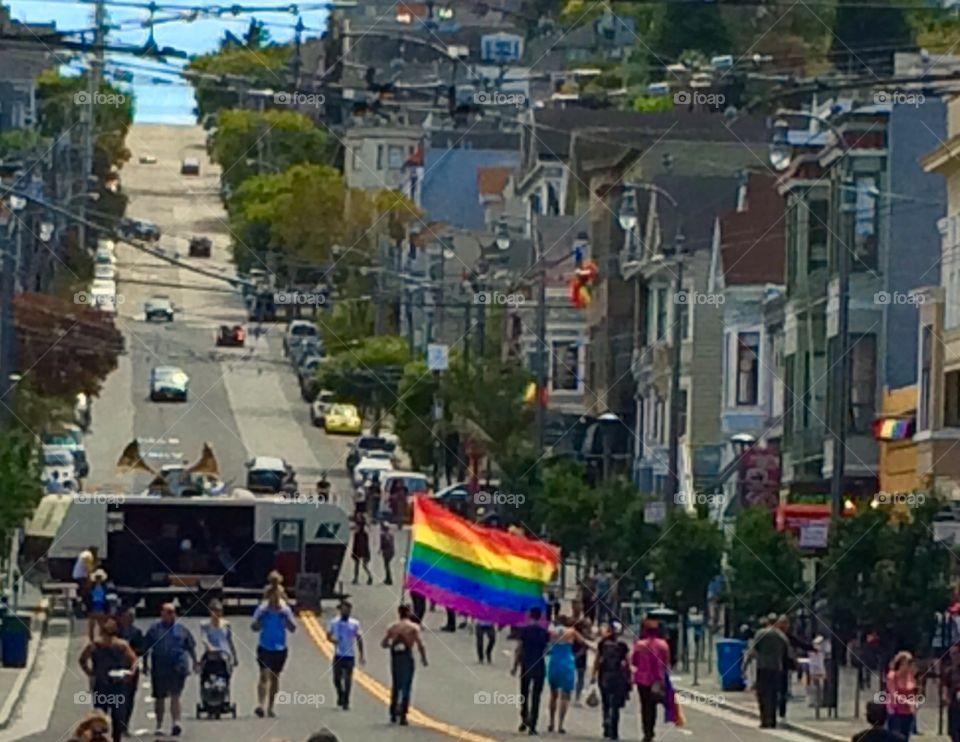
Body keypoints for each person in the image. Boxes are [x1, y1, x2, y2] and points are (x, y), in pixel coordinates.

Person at [78, 617, 138, 742]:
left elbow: (133, 660)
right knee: (100, 716)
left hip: (117, 684)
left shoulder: (121, 645)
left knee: (118, 716)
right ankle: (100, 738)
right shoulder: (95, 645)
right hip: (102, 685)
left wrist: (130, 673)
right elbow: (82, 660)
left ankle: (116, 738)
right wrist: (90, 673)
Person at [144, 603, 198, 737]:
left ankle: (176, 723)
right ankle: (159, 724)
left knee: (175, 694)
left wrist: (195, 662)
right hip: (160, 666)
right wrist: (145, 664)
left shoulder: (181, 630)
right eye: (168, 611)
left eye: (173, 612)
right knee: (160, 697)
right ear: (162, 613)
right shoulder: (154, 629)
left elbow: (190, 646)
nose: (171, 614)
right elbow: (146, 648)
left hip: (178, 666)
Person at [252, 585, 297, 718]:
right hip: (265, 646)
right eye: (273, 596)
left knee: (275, 677)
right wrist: (261, 618)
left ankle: (271, 706)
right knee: (263, 675)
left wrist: (286, 618)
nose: (275, 599)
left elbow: (293, 628)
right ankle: (260, 705)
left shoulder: (285, 610)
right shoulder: (262, 609)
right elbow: (254, 627)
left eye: (278, 596)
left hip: (280, 647)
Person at [381, 604, 428, 725]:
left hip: (396, 656)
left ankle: (393, 712)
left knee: (396, 684)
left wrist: (392, 643)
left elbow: (384, 643)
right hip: (407, 656)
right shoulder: (413, 627)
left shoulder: (393, 627)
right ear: (408, 613)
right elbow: (420, 644)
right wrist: (423, 658)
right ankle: (403, 714)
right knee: (406, 685)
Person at [547, 615, 591, 734]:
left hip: (554, 661)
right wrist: (577, 655)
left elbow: (547, 646)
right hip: (567, 662)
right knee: (565, 697)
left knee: (553, 695)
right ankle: (560, 725)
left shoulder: (552, 632)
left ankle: (551, 722)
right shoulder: (572, 632)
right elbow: (584, 643)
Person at [746, 613, 790, 729]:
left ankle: (764, 719)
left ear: (767, 622)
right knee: (774, 695)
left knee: (762, 694)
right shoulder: (782, 637)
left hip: (763, 667)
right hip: (776, 668)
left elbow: (752, 651)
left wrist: (745, 666)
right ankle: (773, 719)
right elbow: (788, 654)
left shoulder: (760, 634)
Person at [632, 619, 671, 742]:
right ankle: (651, 729)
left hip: (642, 679)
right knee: (653, 706)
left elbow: (634, 661)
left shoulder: (639, 645)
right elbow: (666, 662)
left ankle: (646, 731)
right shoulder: (663, 645)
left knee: (644, 706)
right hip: (657, 680)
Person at [513, 606, 549, 736]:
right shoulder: (544, 632)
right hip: (539, 664)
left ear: (530, 616)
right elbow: (546, 649)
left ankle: (524, 718)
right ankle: (533, 724)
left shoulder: (525, 630)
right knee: (536, 695)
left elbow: (519, 648)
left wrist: (515, 666)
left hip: (526, 664)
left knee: (524, 693)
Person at [594, 622, 631, 741]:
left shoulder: (603, 643)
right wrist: (629, 679)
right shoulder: (623, 645)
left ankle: (606, 725)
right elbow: (627, 662)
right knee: (615, 705)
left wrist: (593, 674)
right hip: (618, 676)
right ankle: (614, 731)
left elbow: (597, 658)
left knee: (606, 703)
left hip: (604, 675)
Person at [327, 600, 364, 709]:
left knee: (348, 679)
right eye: (343, 609)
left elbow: (359, 638)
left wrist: (361, 654)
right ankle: (340, 694)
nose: (345, 612)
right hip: (338, 654)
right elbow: (328, 635)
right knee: (336, 679)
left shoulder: (354, 623)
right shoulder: (334, 622)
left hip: (349, 655)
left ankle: (346, 701)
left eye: (347, 610)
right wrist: (333, 640)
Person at [116, 608, 145, 731]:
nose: (129, 619)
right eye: (127, 617)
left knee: (129, 696)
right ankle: (117, 722)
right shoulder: (116, 632)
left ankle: (125, 723)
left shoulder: (137, 632)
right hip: (117, 667)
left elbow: (142, 649)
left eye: (131, 617)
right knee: (117, 696)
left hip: (131, 667)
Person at [886, 651, 919, 740]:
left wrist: (915, 703)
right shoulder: (892, 676)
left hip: (908, 713)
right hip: (896, 713)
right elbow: (893, 694)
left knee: (906, 738)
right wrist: (907, 702)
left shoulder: (910, 677)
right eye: (907, 664)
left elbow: (913, 692)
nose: (909, 667)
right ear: (901, 664)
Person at [200, 600, 238, 669]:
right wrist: (209, 646)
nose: (218, 613)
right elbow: (204, 638)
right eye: (216, 610)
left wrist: (235, 656)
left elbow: (229, 641)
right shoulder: (204, 625)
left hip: (225, 656)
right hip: (211, 656)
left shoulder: (226, 624)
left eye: (220, 610)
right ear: (210, 611)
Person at [941, 641, 960, 742]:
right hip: (954, 704)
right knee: (953, 731)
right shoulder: (949, 671)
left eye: (956, 654)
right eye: (952, 654)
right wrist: (945, 697)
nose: (954, 657)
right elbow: (945, 685)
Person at [72, 546, 98, 614]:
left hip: (79, 575)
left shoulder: (84, 555)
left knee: (84, 591)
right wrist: (95, 564)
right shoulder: (87, 556)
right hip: (81, 576)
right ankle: (86, 608)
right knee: (86, 592)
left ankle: (82, 605)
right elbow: (90, 569)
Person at [573, 616, 593, 705]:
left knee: (581, 678)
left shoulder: (586, 636)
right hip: (575, 656)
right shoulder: (576, 635)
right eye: (587, 627)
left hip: (581, 658)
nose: (588, 630)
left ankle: (577, 696)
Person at [86, 569, 109, 641]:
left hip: (101, 606)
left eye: (99, 577)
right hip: (93, 606)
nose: (98, 579)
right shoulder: (91, 587)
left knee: (102, 625)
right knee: (91, 626)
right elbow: (87, 597)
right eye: (97, 577)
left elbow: (106, 598)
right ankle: (91, 640)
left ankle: (102, 639)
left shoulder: (105, 587)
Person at [351, 516, 373, 585]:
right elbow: (366, 544)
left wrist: (353, 552)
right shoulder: (364, 534)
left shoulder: (357, 534)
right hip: (362, 551)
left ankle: (357, 578)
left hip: (359, 551)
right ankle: (369, 577)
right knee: (363, 566)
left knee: (358, 566)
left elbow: (355, 544)